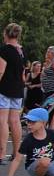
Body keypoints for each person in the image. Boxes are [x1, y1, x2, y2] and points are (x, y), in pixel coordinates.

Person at [1, 108, 54, 176]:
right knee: (44, 161)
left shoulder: (51, 134)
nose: (29, 124)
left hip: (51, 163)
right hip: (33, 166)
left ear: (43, 123)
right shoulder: (28, 139)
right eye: (28, 121)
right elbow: (17, 159)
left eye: (33, 122)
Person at [0, 23, 25, 165]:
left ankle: (1, 154)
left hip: (4, 89)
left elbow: (1, 71)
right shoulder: (21, 51)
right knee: (15, 121)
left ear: (6, 34)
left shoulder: (4, 50)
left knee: (2, 121)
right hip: (18, 89)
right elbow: (22, 74)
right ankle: (16, 153)